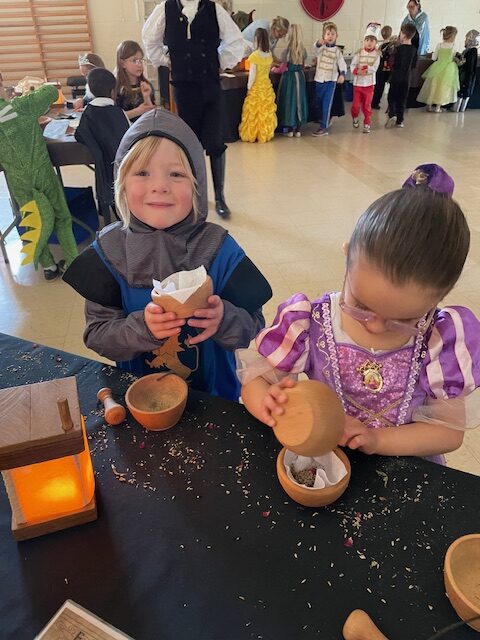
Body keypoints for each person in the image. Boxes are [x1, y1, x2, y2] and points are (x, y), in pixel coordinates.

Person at [238, 164, 480, 463]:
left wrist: (378, 439)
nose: (376, 326)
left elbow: (447, 433)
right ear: (347, 255)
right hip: (325, 460)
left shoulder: (441, 341)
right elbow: (254, 382)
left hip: (407, 467)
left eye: (404, 320)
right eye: (362, 305)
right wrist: (269, 404)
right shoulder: (308, 323)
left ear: (440, 297)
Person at [63, 109, 272, 401]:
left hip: (215, 401)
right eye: (142, 172)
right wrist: (141, 328)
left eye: (176, 174)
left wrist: (223, 319)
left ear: (197, 185)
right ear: (122, 183)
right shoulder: (109, 252)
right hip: (140, 403)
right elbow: (97, 335)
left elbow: (254, 325)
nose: (159, 186)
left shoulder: (220, 249)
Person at [142, 0, 244, 220]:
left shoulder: (213, 9)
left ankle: (219, 197)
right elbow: (150, 40)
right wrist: (166, 60)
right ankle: (193, 197)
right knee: (189, 144)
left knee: (216, 142)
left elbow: (236, 41)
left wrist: (220, 61)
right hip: (184, 89)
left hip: (211, 86)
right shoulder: (165, 9)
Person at [0, 74, 77, 280]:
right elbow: (51, 92)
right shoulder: (21, 106)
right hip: (41, 171)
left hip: (18, 179)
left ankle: (48, 266)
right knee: (61, 215)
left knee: (32, 219)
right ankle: (71, 261)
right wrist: (29, 88)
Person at [74, 69, 130, 223]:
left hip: (103, 175)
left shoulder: (88, 113)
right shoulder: (119, 112)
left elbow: (80, 134)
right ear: (113, 92)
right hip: (124, 171)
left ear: (90, 91)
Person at [238, 28, 277, 143]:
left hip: (256, 87)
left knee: (253, 111)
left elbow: (252, 75)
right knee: (265, 111)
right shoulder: (269, 55)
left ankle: (252, 133)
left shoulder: (254, 56)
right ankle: (264, 133)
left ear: (257, 40)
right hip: (266, 86)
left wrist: (249, 88)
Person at [311, 22, 347, 137]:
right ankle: (323, 120)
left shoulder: (337, 52)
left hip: (330, 81)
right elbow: (315, 49)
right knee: (318, 103)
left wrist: (342, 74)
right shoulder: (321, 48)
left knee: (327, 103)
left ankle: (324, 127)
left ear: (336, 36)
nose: (330, 36)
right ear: (324, 36)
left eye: (332, 34)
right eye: (328, 34)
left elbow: (342, 64)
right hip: (319, 80)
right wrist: (318, 43)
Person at [276, 24, 308, 138]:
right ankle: (298, 129)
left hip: (289, 78)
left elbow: (282, 68)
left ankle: (289, 128)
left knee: (289, 101)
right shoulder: (303, 51)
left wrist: (275, 69)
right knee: (299, 101)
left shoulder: (286, 52)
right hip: (299, 77)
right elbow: (303, 65)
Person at [417, 26, 460, 113]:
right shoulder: (454, 46)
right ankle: (438, 107)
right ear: (452, 36)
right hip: (448, 70)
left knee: (433, 87)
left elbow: (434, 58)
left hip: (436, 68)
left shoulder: (439, 45)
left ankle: (429, 106)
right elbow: (454, 57)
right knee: (443, 88)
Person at [385, 22, 417, 128]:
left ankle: (392, 114)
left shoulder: (397, 49)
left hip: (396, 76)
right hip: (407, 77)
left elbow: (392, 62)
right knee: (402, 99)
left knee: (392, 96)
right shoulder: (414, 50)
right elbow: (413, 65)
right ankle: (400, 121)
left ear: (402, 34)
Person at [115, 40, 155, 122]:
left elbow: (151, 113)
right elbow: (115, 117)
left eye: (141, 60)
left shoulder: (146, 85)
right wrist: (138, 111)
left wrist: (147, 97)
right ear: (123, 64)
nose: (139, 64)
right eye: (134, 60)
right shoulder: (116, 88)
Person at [350, 26, 380, 133]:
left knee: (367, 105)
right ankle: (355, 117)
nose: (369, 42)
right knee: (356, 105)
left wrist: (366, 69)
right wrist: (356, 71)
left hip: (369, 84)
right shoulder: (359, 53)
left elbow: (374, 68)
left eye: (372, 40)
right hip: (358, 84)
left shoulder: (377, 54)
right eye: (367, 40)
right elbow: (353, 65)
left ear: (375, 42)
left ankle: (367, 123)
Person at [454, 29, 479, 112]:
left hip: (466, 77)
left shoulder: (472, 51)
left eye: (467, 39)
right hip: (465, 76)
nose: (465, 40)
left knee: (463, 93)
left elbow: (467, 64)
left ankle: (458, 108)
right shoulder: (469, 50)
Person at [372, 26, 395, 110]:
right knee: (389, 86)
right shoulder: (392, 45)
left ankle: (375, 102)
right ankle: (390, 104)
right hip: (388, 68)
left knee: (379, 86)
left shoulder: (379, 45)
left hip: (380, 66)